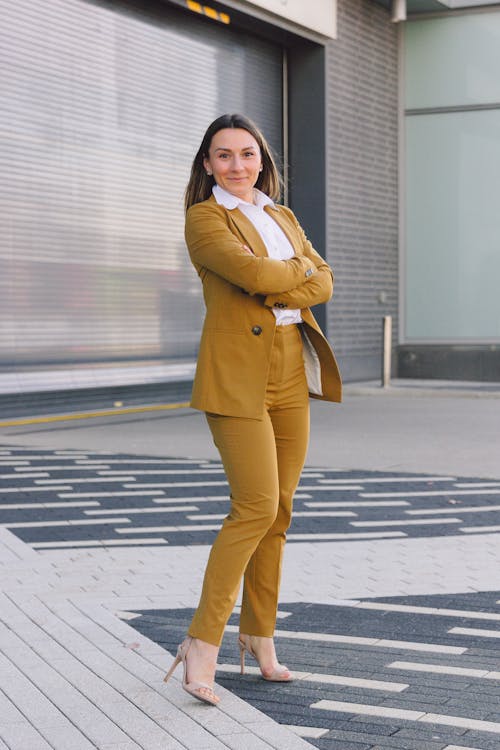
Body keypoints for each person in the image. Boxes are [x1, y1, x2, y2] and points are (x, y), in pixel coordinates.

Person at [163, 113, 341, 706]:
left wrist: (283, 278)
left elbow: (325, 282)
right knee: (254, 507)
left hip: (291, 370)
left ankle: (259, 635)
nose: (237, 165)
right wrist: (293, 275)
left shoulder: (280, 215)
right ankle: (201, 643)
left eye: (246, 154)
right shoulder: (205, 218)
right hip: (236, 376)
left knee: (281, 512)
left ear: (262, 158)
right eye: (223, 156)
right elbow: (257, 273)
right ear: (207, 163)